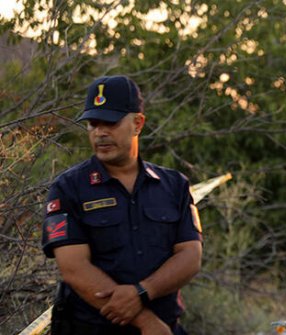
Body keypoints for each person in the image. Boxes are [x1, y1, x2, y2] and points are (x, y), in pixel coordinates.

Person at [42, 75, 203, 335]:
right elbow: (73, 268)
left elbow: (190, 256)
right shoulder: (68, 188)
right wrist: (145, 321)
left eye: (110, 123)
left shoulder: (174, 186)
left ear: (137, 123)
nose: (100, 132)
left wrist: (143, 292)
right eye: (93, 124)